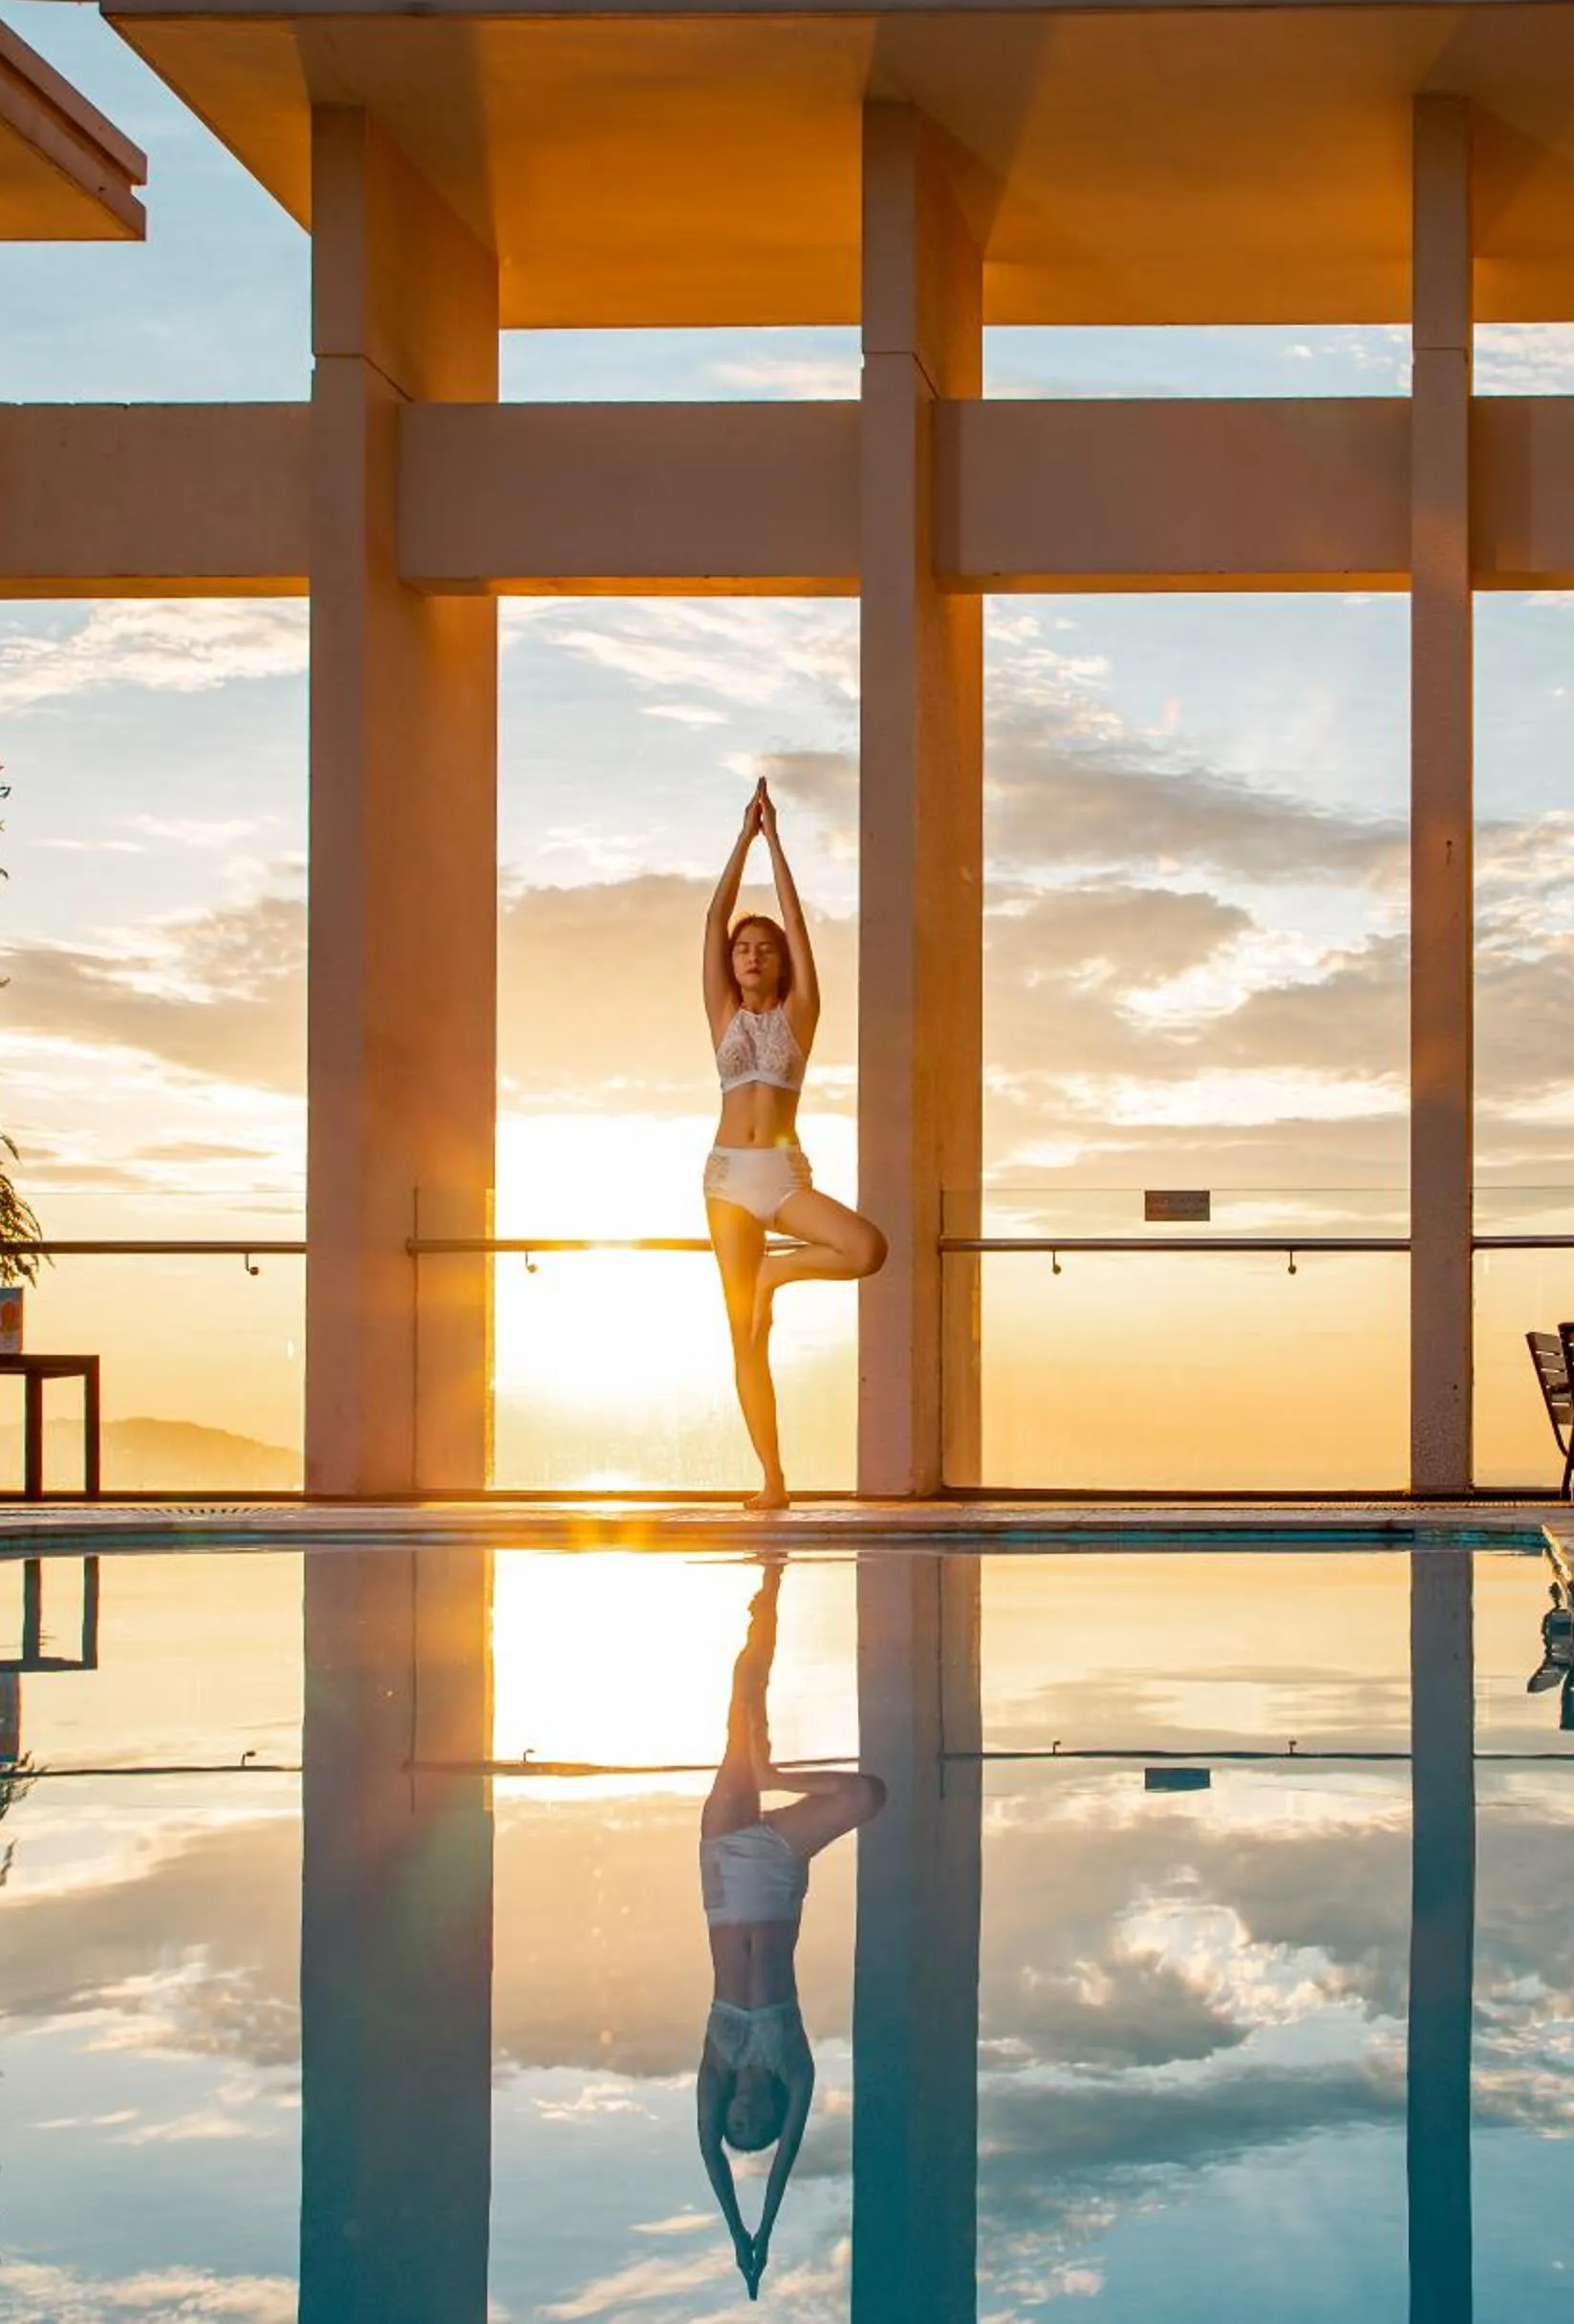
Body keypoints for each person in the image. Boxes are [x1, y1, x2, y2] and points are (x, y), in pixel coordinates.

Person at [698, 1562, 886, 2299]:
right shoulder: (794, 2067)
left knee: (742, 1708)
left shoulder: (715, 2063)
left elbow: (713, 2159)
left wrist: (736, 2233)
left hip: (722, 1875)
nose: (742, 2112)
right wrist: (764, 2227)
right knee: (871, 1795)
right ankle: (774, 1777)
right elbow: (781, 2160)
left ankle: (764, 1599)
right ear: (770, 2108)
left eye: (733, 2120)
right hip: (775, 1874)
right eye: (755, 2118)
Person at [703, 782, 886, 1508]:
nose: (750, 956)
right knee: (745, 1339)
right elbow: (714, 914)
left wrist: (774, 841)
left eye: (763, 950)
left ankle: (781, 1276)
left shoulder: (800, 1016)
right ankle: (772, 1480)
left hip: (780, 1176)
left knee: (865, 1249)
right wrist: (740, 839)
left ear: (780, 964)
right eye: (742, 950)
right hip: (724, 1182)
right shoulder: (721, 1015)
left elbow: (799, 925)